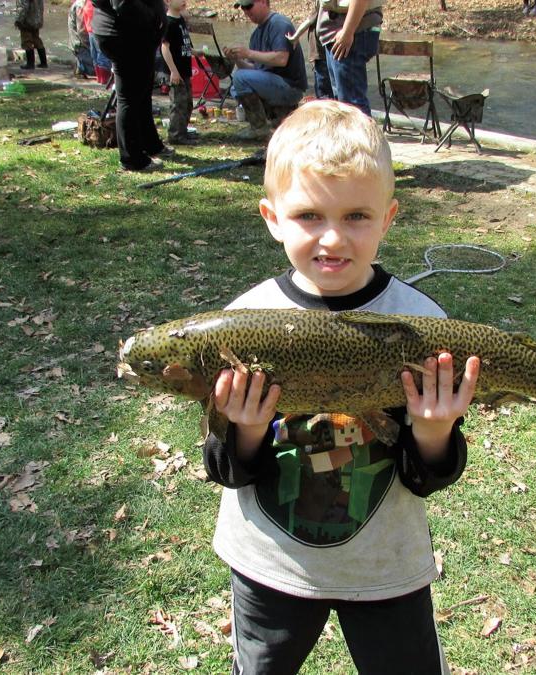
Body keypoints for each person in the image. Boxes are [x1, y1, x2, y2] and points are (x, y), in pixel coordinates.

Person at [202, 99, 480, 674]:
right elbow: (226, 469)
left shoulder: (421, 322)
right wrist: (247, 429)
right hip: (270, 562)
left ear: (389, 218)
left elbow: (429, 475)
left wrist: (434, 430)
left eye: (356, 216)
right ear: (272, 217)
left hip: (386, 565)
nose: (332, 239)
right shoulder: (240, 321)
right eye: (308, 216)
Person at [91, 0, 170, 171]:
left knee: (142, 93)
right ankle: (132, 159)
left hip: (134, 35)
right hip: (125, 36)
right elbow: (124, 4)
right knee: (129, 98)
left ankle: (151, 144)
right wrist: (153, 15)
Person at [224, 0, 307, 141]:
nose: (245, 11)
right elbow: (253, 70)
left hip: (290, 87)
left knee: (240, 78)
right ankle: (271, 121)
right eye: (243, 7)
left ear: (263, 2)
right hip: (273, 84)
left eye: (249, 6)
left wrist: (248, 53)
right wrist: (236, 58)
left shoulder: (279, 24)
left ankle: (259, 128)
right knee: (236, 84)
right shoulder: (255, 34)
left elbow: (281, 59)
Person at [315, 0, 383, 115]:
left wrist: (348, 31)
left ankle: (363, 133)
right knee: (343, 107)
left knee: (352, 108)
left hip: (351, 33)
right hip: (337, 34)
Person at [162, 0, 198, 145]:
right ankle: (175, 135)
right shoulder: (168, 22)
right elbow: (165, 48)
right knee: (178, 104)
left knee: (188, 103)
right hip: (176, 72)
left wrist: (195, 52)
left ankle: (183, 131)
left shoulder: (181, 19)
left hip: (185, 70)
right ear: (168, 2)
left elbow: (183, 44)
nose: (184, 1)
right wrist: (173, 71)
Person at [14, 0, 46, 70]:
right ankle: (44, 63)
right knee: (37, 40)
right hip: (37, 19)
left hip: (27, 21)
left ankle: (30, 64)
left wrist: (18, 20)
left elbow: (23, 8)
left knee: (26, 41)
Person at [68, 0, 95, 78]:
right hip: (80, 43)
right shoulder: (80, 5)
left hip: (78, 41)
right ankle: (81, 68)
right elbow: (81, 31)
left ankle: (80, 67)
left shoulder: (81, 3)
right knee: (95, 70)